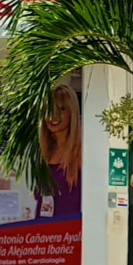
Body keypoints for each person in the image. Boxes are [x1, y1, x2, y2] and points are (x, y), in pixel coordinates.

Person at [35, 81, 82, 220]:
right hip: (43, 228)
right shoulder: (43, 153)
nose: (53, 116)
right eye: (50, 109)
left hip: (72, 229)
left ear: (72, 113)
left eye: (61, 109)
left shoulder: (82, 152)